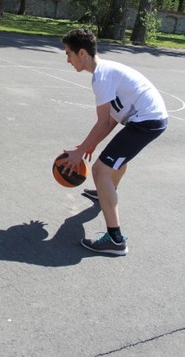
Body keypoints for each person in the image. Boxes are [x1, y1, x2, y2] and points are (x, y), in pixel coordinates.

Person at [61, 28, 168, 255]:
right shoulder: (104, 72)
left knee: (101, 170)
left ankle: (115, 239)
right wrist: (88, 146)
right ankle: (106, 192)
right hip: (147, 119)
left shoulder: (101, 76)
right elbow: (109, 121)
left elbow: (102, 124)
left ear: (82, 53)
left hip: (148, 120)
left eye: (69, 53)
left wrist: (79, 153)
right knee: (115, 160)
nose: (67, 59)